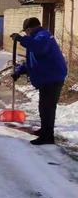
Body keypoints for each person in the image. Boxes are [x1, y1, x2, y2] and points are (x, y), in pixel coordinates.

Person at [11, 17, 67, 145]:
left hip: (52, 77)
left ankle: (48, 136)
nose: (26, 34)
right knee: (44, 107)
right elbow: (32, 59)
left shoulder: (43, 36)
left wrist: (21, 39)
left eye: (25, 32)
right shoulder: (37, 38)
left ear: (29, 29)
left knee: (47, 107)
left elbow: (39, 47)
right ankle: (45, 131)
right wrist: (19, 71)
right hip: (48, 77)